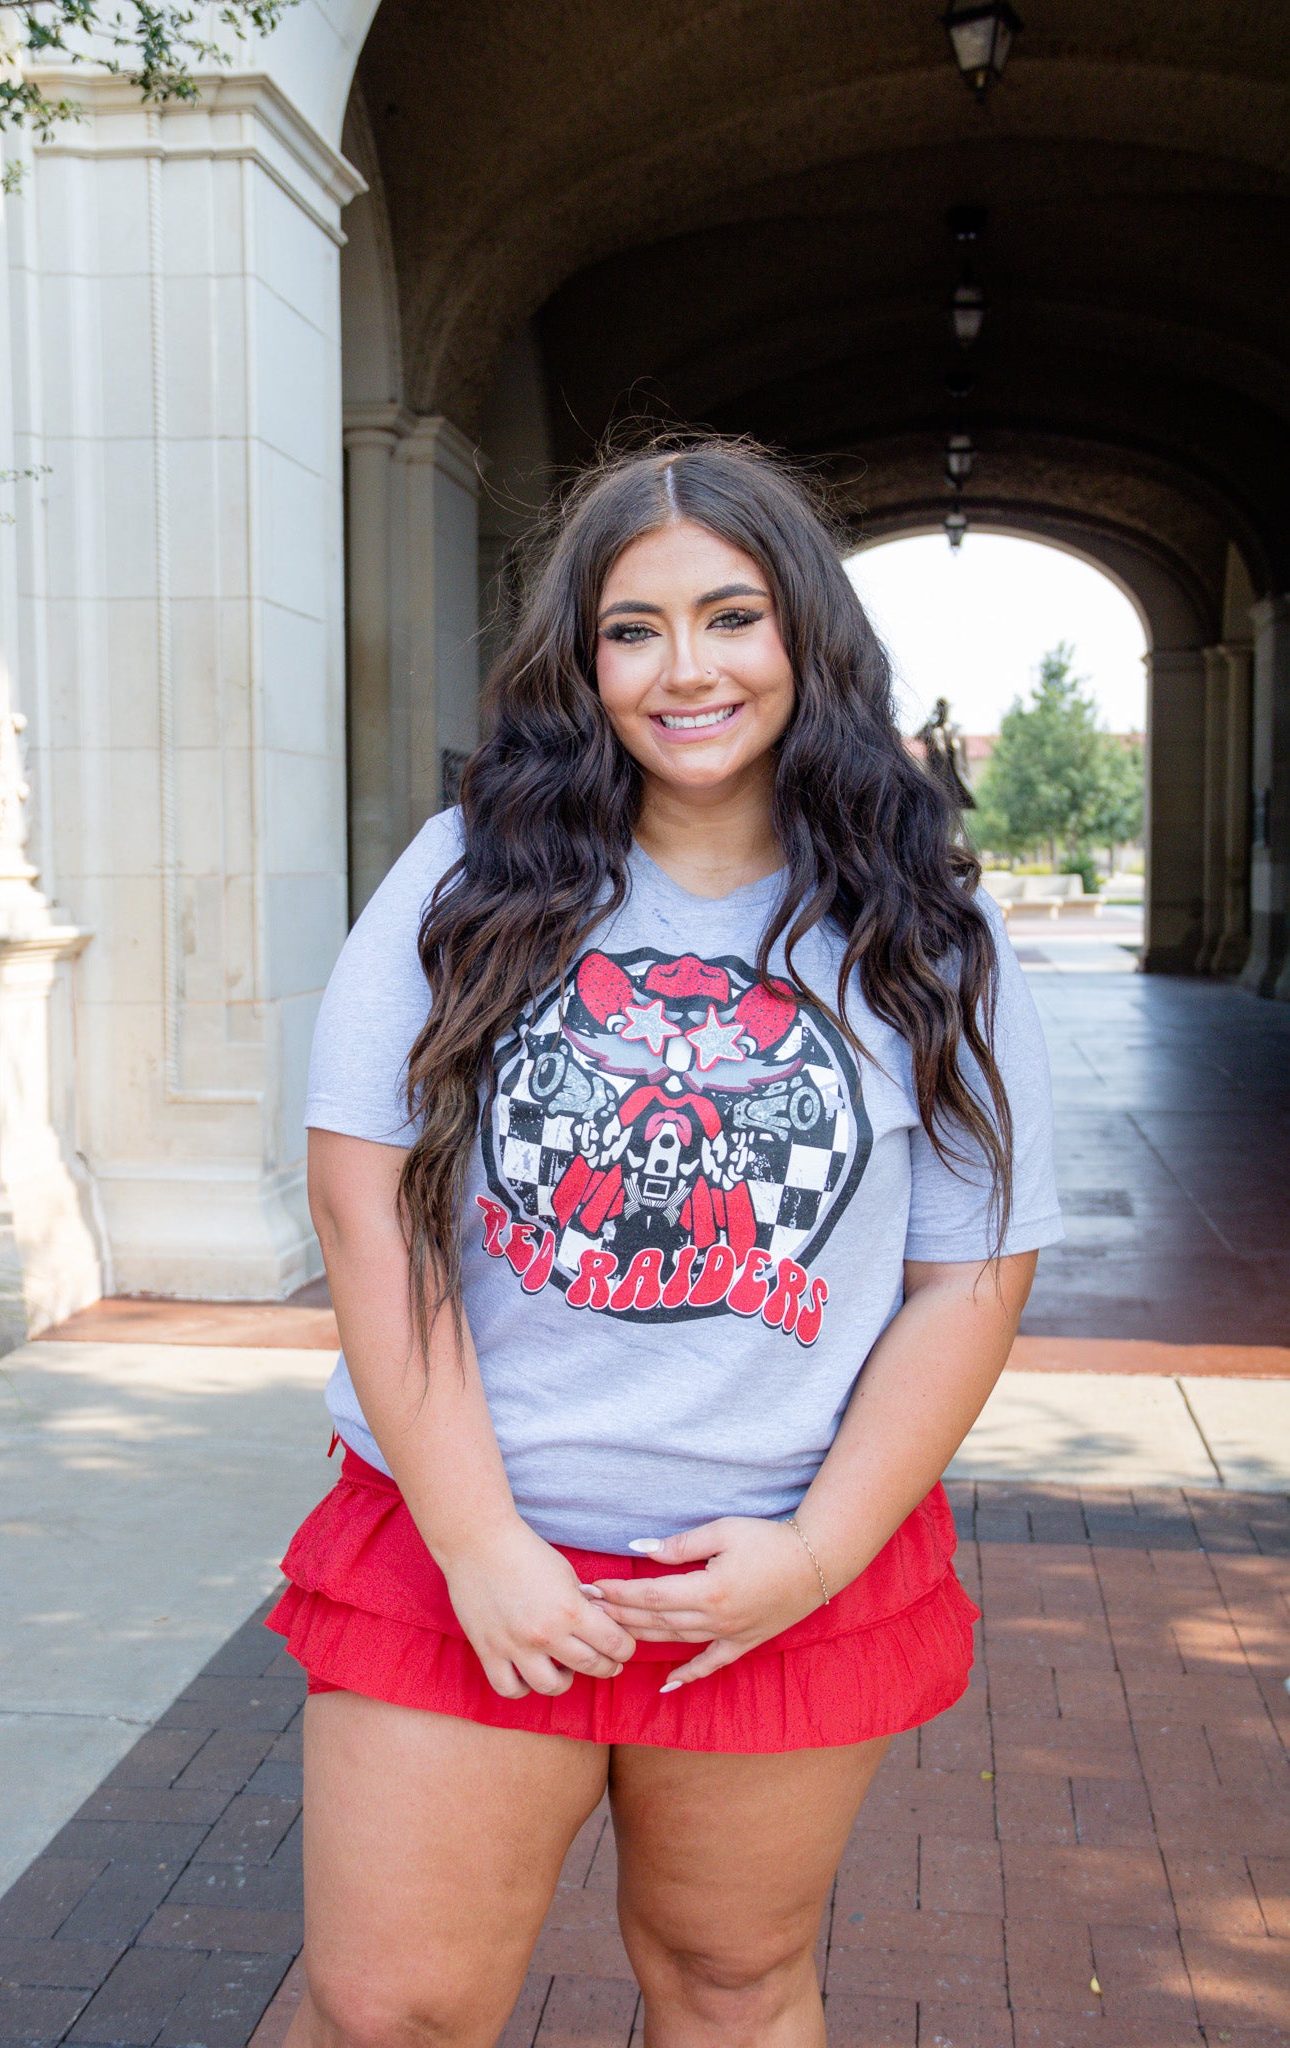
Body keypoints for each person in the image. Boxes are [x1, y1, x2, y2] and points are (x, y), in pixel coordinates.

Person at [269, 439, 1062, 2048]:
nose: (683, 669)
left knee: (728, 1987)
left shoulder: (927, 933)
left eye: (731, 616)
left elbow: (968, 1275)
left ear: (807, 642)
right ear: (580, 658)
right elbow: (367, 1204)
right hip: (469, 1544)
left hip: (769, 1567)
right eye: (632, 629)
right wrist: (485, 1544)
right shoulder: (467, 877)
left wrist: (818, 1556)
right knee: (386, 2013)